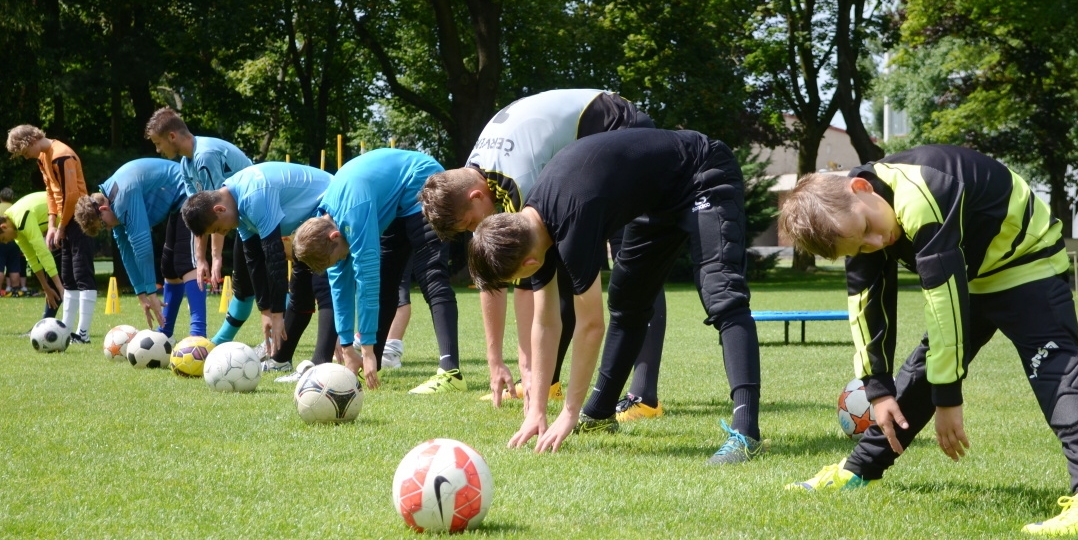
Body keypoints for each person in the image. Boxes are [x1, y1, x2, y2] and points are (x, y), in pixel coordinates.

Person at [779, 144, 1078, 537]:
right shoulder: (853, 221)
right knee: (917, 376)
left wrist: (948, 398)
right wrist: (877, 388)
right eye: (859, 247)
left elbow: (944, 301)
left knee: (1057, 372)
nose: (875, 244)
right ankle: (858, 471)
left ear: (861, 187)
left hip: (1025, 264)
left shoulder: (920, 193)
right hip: (968, 274)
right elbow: (865, 304)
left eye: (867, 232)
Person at [467, 127, 763, 464]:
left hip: (702, 170)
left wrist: (568, 411)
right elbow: (545, 322)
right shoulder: (531, 224)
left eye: (516, 278)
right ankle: (599, 414)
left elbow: (591, 326)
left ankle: (746, 432)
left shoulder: (570, 224)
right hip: (657, 198)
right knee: (628, 300)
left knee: (722, 294)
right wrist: (536, 410)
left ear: (528, 262)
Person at [419, 88, 667, 418]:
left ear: (477, 196)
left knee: (635, 265)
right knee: (556, 268)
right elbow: (492, 276)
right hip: (585, 145)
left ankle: (644, 396)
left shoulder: (514, 181)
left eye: (468, 224)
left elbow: (526, 279)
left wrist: (524, 367)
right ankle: (545, 382)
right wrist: (495, 362)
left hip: (621, 128)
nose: (473, 232)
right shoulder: (469, 178)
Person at [293, 148, 464, 394]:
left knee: (431, 276)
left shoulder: (354, 214)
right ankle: (371, 367)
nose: (343, 259)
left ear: (335, 236)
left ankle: (451, 372)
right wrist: (347, 346)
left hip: (422, 182)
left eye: (341, 255)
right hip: (395, 203)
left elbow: (366, 281)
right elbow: (339, 286)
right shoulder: (326, 223)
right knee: (387, 286)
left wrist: (367, 349)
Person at [181, 162, 336, 378]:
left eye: (218, 228)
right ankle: (280, 360)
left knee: (322, 284)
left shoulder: (253, 197)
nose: (223, 233)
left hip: (331, 203)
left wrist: (277, 313)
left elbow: (274, 256)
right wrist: (266, 312)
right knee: (300, 289)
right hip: (308, 219)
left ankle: (321, 367)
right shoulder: (236, 202)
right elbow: (253, 257)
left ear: (219, 209)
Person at [143, 108, 253, 343]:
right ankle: (214, 343)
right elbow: (199, 215)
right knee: (245, 287)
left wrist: (215, 257)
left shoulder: (205, 156)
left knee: (258, 281)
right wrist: (201, 259)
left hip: (256, 216)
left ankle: (274, 341)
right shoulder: (186, 164)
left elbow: (216, 211)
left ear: (172, 136)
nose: (158, 150)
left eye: (158, 143)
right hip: (241, 222)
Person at [72, 157, 202, 333]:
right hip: (176, 204)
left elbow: (142, 247)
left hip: (189, 194)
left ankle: (198, 333)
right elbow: (126, 251)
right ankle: (165, 331)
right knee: (169, 268)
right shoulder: (111, 200)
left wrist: (151, 292)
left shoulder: (122, 196)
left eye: (103, 225)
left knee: (185, 263)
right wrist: (142, 295)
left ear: (103, 210)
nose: (108, 228)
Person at [5, 125, 97, 342]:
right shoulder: (42, 158)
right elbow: (51, 192)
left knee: (82, 274)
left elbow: (71, 195)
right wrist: (53, 224)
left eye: (24, 152)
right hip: (65, 221)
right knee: (68, 276)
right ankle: (65, 330)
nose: (26, 157)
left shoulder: (61, 155)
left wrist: (62, 226)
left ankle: (83, 334)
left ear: (29, 141)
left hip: (80, 218)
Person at [0, 192, 66, 317]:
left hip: (72, 214)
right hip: (63, 225)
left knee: (71, 277)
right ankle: (46, 321)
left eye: (3, 239)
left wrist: (60, 287)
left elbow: (42, 252)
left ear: (3, 227)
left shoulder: (21, 219)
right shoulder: (15, 227)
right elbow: (31, 258)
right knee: (56, 279)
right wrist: (45, 287)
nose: (6, 242)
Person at [0, 188, 26, 296]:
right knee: (14, 267)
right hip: (13, 240)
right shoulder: (15, 208)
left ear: (0, 197)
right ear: (12, 198)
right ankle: (16, 291)